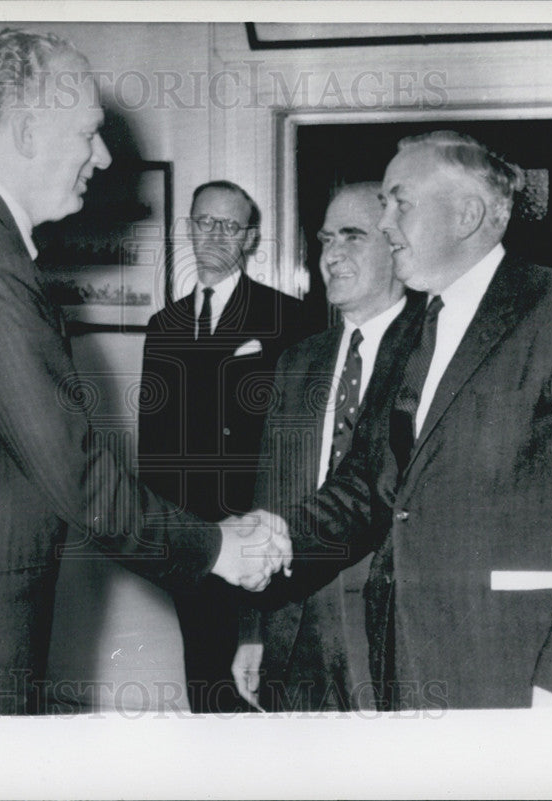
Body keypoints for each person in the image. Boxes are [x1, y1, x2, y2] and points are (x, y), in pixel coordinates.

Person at [0, 29, 289, 716]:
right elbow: (81, 480)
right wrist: (219, 547)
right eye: (87, 134)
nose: (102, 157)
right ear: (24, 132)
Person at [267, 130, 552, 709]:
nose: (386, 220)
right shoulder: (410, 331)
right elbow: (369, 484)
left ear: (467, 214)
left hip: (516, 666)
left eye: (400, 201)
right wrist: (270, 540)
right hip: (403, 664)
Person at [232, 184, 423, 711]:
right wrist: (252, 626)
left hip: (387, 618)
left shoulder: (430, 349)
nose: (332, 255)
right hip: (296, 618)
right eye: (324, 240)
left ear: (394, 244)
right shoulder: (297, 362)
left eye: (353, 237)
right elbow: (269, 492)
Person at [137, 180, 310, 713]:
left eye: (228, 225)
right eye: (203, 222)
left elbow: (297, 440)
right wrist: (166, 539)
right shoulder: (163, 327)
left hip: (259, 533)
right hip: (193, 539)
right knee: (205, 685)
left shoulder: (288, 317)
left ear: (250, 238)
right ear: (188, 228)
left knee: (261, 689)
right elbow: (153, 444)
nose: (213, 234)